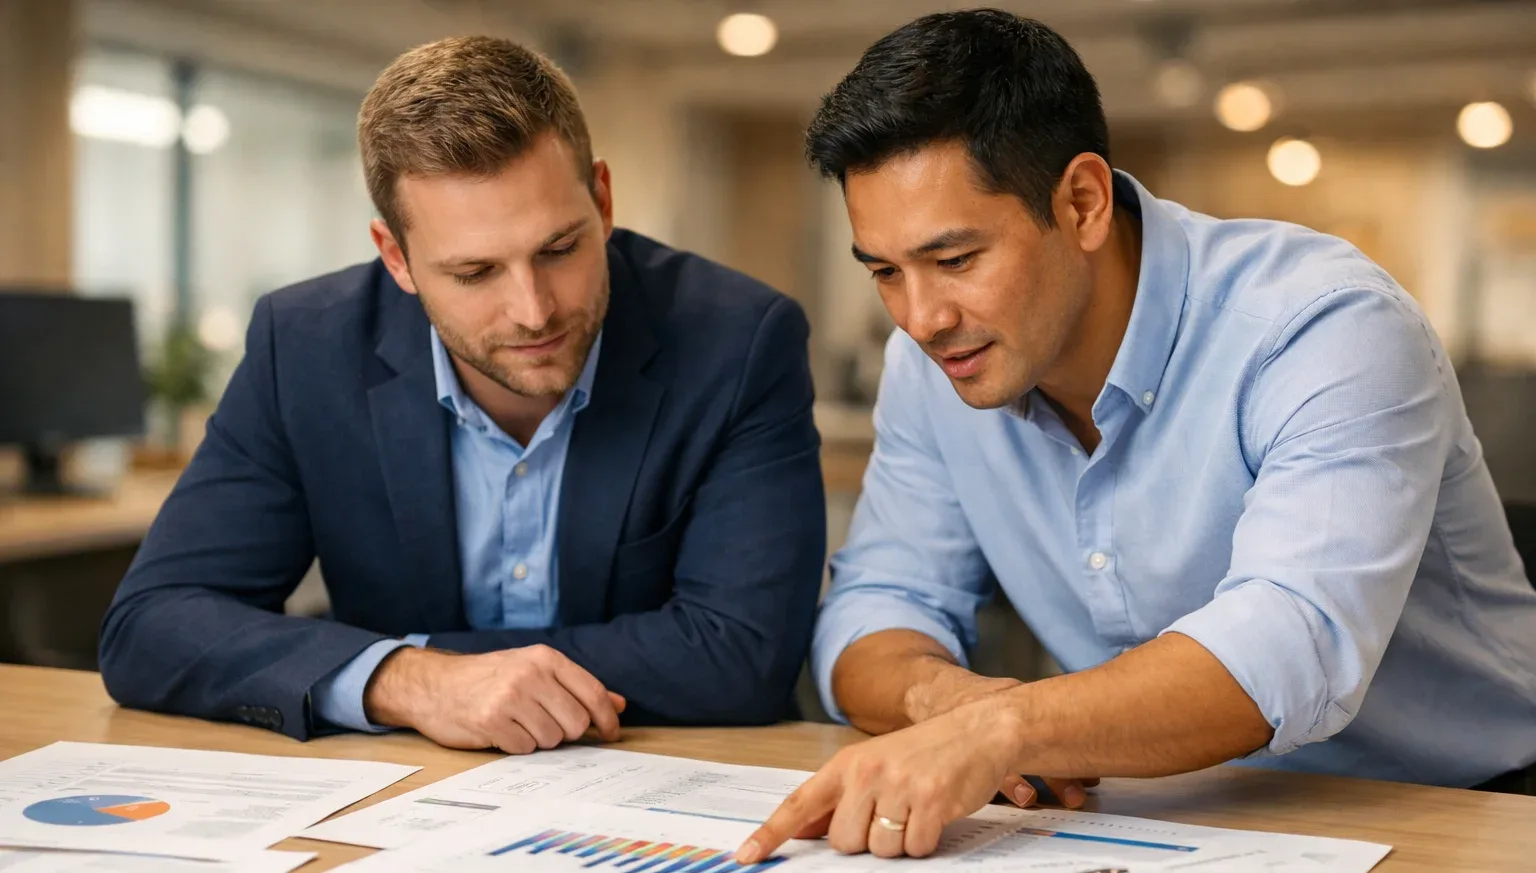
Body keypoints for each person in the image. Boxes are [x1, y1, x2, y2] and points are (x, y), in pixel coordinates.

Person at [736, 9, 1536, 865]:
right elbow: (872, 610)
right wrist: (946, 702)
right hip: (1163, 816)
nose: (922, 319)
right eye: (887, 272)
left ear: (1082, 201)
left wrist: (1006, 730)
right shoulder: (927, 368)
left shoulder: (1322, 325)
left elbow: (1287, 642)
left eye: (958, 259)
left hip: (1462, 810)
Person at [99, 36, 826, 753]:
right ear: (397, 258)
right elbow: (151, 623)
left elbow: (743, 654)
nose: (533, 309)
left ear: (602, 200)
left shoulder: (738, 340)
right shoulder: (306, 347)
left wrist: (450, 672)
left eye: (560, 248)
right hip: (406, 797)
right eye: (475, 272)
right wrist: (410, 680)